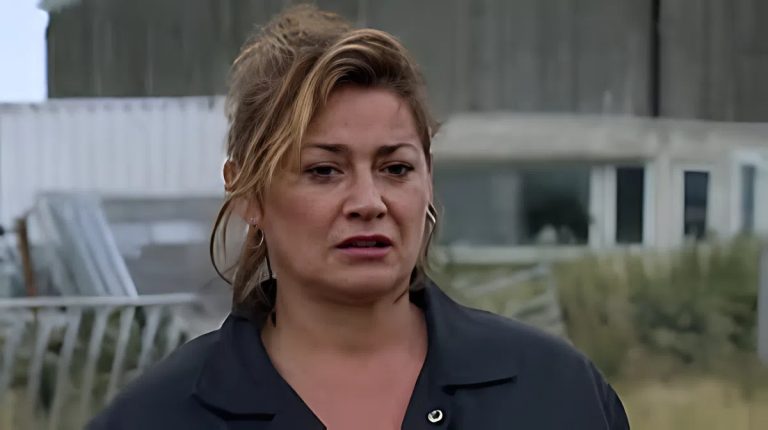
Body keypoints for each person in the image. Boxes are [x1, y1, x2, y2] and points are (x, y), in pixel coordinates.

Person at [89, 5, 629, 429]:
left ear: (428, 178)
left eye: (395, 168)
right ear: (249, 192)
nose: (369, 201)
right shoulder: (157, 417)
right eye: (324, 171)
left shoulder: (556, 392)